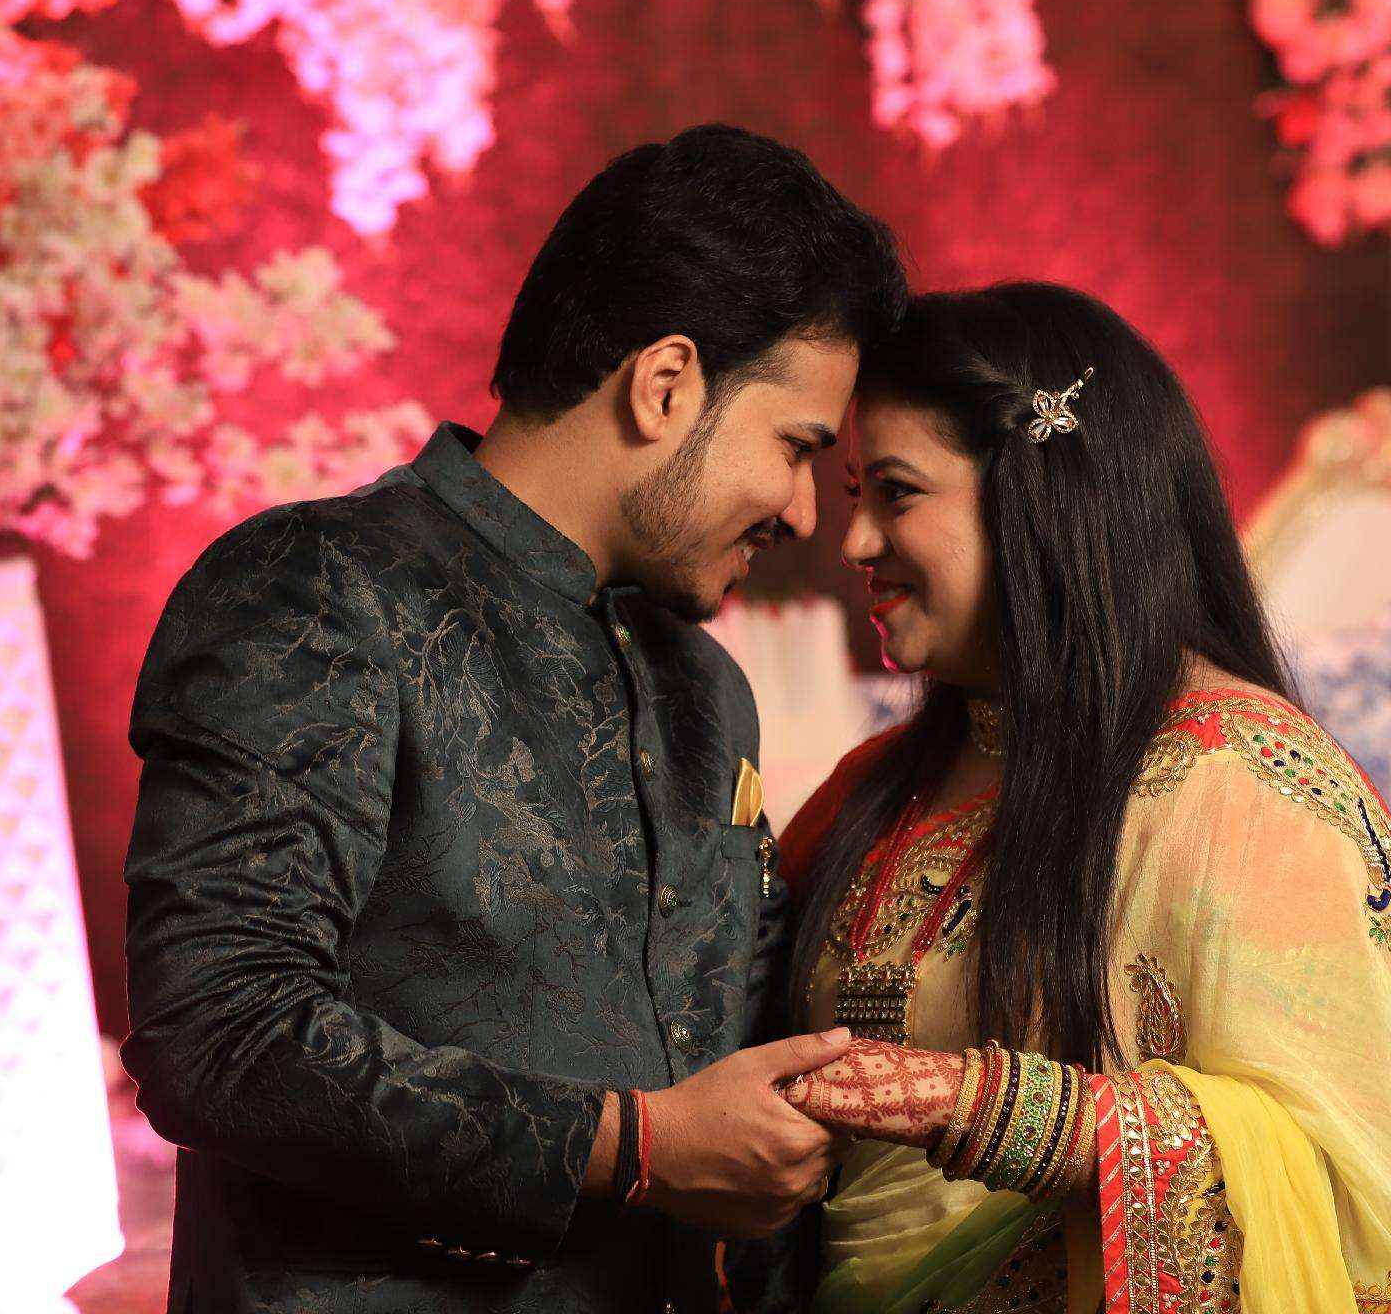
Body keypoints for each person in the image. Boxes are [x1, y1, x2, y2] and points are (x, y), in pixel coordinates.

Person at [121, 124, 905, 1314]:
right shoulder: (315, 589)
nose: (803, 511)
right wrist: (636, 1147)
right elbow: (221, 1032)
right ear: (666, 384)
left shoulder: (704, 690)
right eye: (796, 446)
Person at [773, 283, 1391, 1314]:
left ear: (1041, 498)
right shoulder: (869, 789)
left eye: (896, 494)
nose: (854, 541)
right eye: (857, 492)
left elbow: (1355, 1189)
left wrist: (1001, 1111)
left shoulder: (1245, 786)